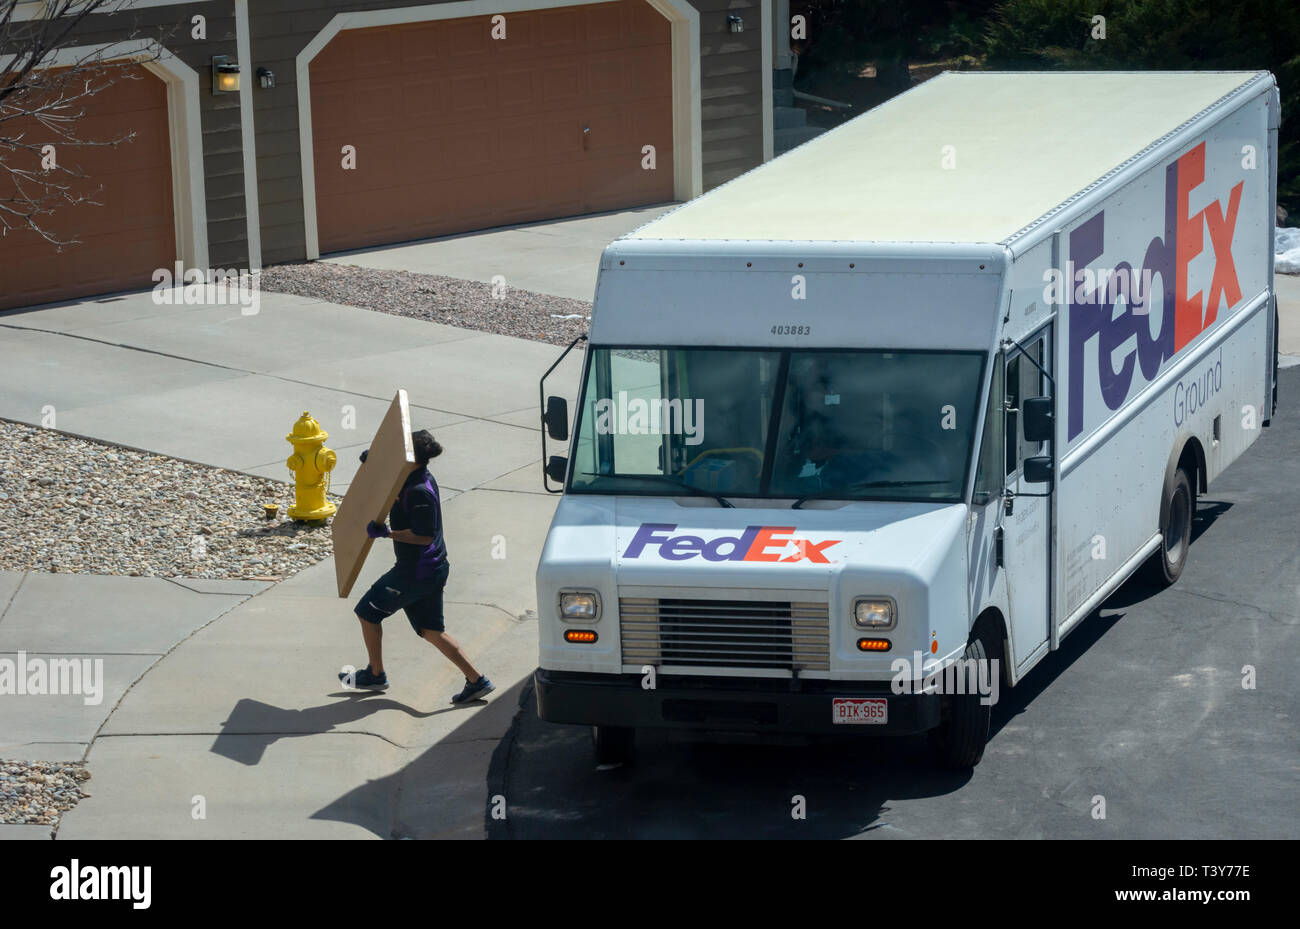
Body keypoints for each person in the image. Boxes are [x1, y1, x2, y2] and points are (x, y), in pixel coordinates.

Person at [339, 429, 494, 704]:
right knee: (431, 631)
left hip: (416, 571)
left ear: (411, 458)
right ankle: (477, 681)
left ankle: (376, 674)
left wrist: (387, 534)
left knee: (367, 613)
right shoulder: (411, 475)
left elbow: (423, 535)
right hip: (432, 569)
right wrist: (375, 465)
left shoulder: (420, 492)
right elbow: (391, 481)